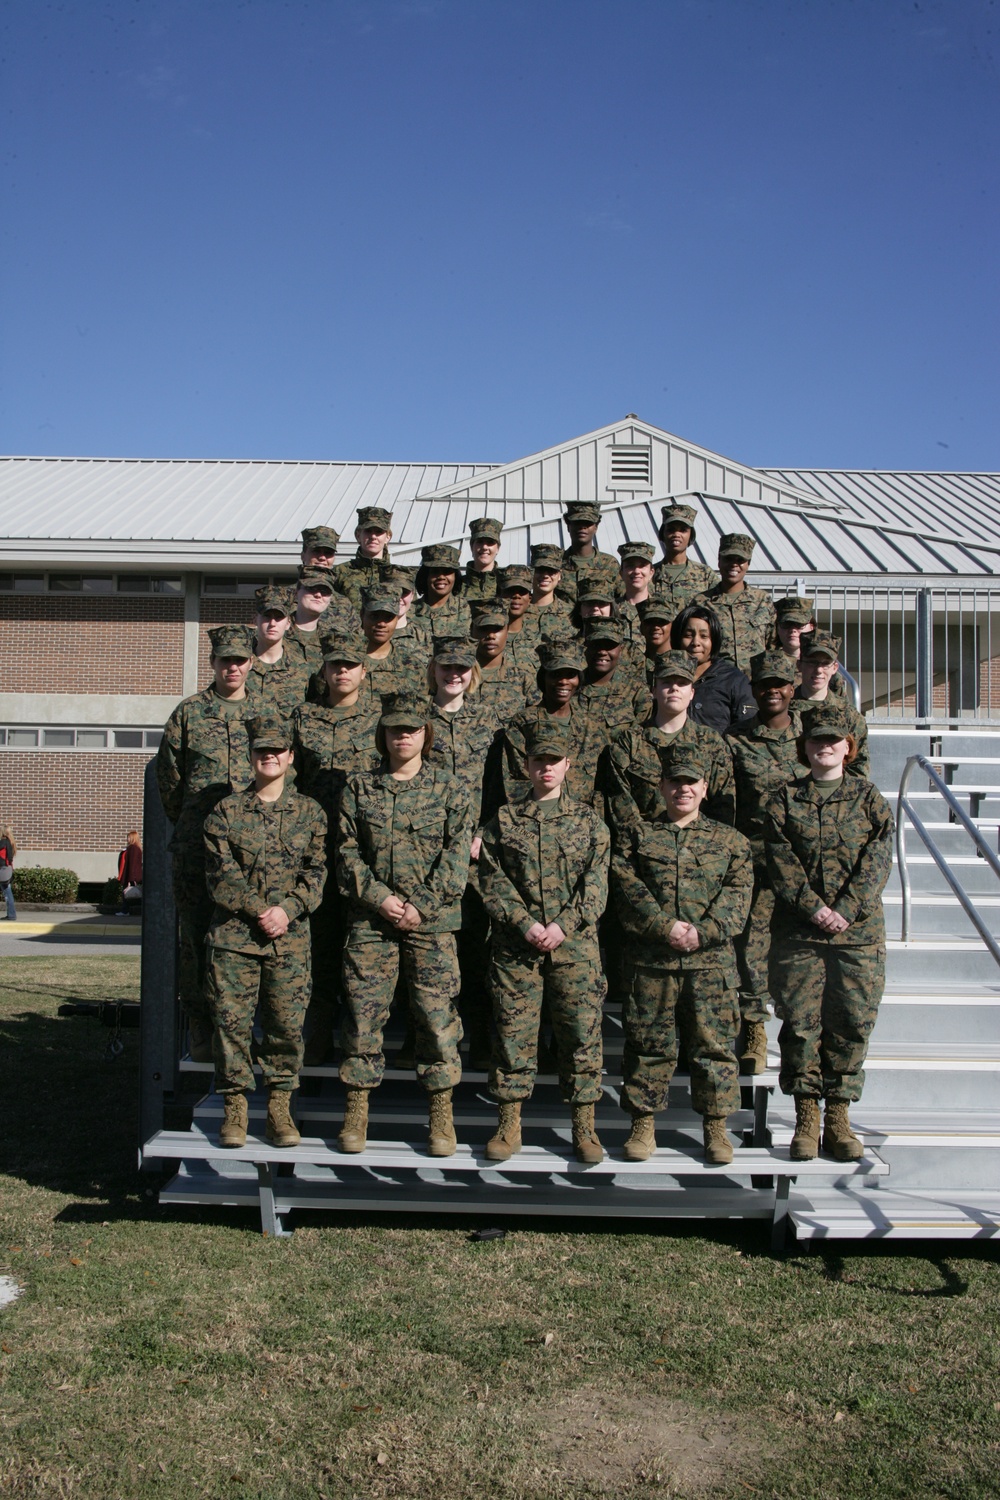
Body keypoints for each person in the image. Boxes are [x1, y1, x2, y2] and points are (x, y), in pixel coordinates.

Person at [335, 691, 473, 1156]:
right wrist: (381, 898)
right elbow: (347, 852)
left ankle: (441, 1117)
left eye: (412, 729)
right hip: (373, 923)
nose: (403, 736)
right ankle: (356, 1113)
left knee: (437, 1023)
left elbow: (457, 859)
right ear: (383, 734)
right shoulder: (359, 788)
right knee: (362, 1019)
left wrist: (421, 905)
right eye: (395, 729)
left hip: (431, 926)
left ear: (425, 734)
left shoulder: (451, 788)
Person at [610, 742, 753, 1164]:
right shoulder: (637, 836)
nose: (682, 790)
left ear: (704, 788)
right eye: (675, 782)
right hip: (652, 963)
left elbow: (737, 898)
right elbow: (627, 889)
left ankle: (716, 1130)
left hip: (710, 965)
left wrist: (702, 932)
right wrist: (664, 926)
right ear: (662, 786)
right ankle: (643, 1125)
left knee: (714, 1048)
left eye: (691, 782)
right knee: (647, 1044)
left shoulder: (730, 841)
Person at [763, 702, 893, 1161]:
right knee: (800, 1025)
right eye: (817, 740)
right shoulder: (783, 799)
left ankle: (838, 1118)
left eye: (834, 741)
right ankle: (805, 1119)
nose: (826, 747)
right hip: (800, 935)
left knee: (852, 1023)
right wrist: (815, 908)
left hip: (856, 937)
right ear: (805, 747)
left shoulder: (869, 798)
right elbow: (780, 860)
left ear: (848, 748)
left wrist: (845, 909)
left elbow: (877, 861)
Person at [477, 719, 610, 1164]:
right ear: (527, 766)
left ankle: (584, 1128)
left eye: (554, 761)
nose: (546, 768)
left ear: (568, 765)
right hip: (518, 949)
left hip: (574, 950)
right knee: (513, 1035)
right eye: (539, 761)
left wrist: (563, 925)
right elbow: (490, 877)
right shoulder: (504, 819)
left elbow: (596, 885)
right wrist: (524, 922)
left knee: (581, 1037)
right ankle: (509, 1124)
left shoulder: (590, 822)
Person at [203, 714, 327, 1149]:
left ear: (291, 757)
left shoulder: (310, 812)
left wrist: (287, 910)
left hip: (289, 940)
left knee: (286, 1028)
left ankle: (279, 1109)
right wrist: (263, 911)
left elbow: (317, 874)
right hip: (236, 940)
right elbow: (220, 876)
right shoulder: (225, 811)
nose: (269, 756)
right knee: (230, 1024)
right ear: (251, 756)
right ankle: (235, 1111)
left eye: (277, 750)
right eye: (261, 750)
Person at [156, 624, 256, 1061]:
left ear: (251, 663)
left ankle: (251, 1027)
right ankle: (201, 1021)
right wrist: (196, 823)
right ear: (212, 663)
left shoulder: (269, 711)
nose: (232, 667)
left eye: (240, 660)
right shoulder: (189, 713)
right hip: (197, 846)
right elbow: (170, 782)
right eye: (224, 660)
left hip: (254, 851)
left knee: (249, 936)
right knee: (197, 937)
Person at [293, 633, 383, 1064]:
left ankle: (363, 1038)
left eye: (351, 665)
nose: (342, 671)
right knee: (321, 942)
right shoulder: (302, 718)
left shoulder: (382, 719)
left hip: (368, 852)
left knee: (366, 947)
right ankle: (319, 1031)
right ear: (324, 671)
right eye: (335, 665)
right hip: (316, 850)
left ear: (364, 671)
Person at [424, 636, 504, 1067]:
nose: (453, 675)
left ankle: (479, 1038)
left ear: (472, 674)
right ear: (433, 671)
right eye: (445, 668)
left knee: (477, 948)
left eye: (461, 669)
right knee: (429, 951)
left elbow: (503, 788)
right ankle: (425, 1041)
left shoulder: (490, 721)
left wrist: (484, 835)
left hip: (475, 854)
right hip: (427, 856)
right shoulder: (416, 721)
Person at [726, 651, 802, 1073]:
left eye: (779, 684)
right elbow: (724, 803)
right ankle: (753, 1030)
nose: (772, 691)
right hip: (753, 859)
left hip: (802, 864)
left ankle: (797, 1036)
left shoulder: (811, 739)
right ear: (753, 690)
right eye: (763, 685)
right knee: (752, 946)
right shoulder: (736, 739)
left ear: (792, 688)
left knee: (795, 952)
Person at [604, 652, 735, 835]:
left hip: (700, 849)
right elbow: (621, 807)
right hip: (644, 849)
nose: (674, 688)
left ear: (692, 693)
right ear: (654, 690)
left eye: (682, 683)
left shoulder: (710, 743)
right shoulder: (630, 742)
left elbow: (722, 807)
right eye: (666, 682)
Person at [503, 641, 605, 807]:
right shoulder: (525, 723)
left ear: (579, 680)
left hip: (583, 821)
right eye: (555, 674)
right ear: (543, 677)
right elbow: (516, 781)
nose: (563, 681)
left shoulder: (591, 724)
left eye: (570, 675)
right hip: (537, 818)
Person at [691, 533, 775, 675]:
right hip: (717, 681)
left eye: (740, 560)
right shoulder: (702, 602)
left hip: (754, 683)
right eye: (728, 559)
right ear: (719, 561)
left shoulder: (762, 600)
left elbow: (773, 643)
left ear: (748, 564)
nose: (734, 564)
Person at [671, 603, 756, 734]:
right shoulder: (665, 677)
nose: (695, 643)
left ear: (714, 640)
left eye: (704, 636)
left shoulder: (734, 680)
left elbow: (745, 729)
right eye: (688, 635)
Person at [794, 632, 869, 775]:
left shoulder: (849, 715)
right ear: (799, 665)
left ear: (835, 668)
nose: (818, 670)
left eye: (825, 663)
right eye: (812, 662)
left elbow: (858, 767)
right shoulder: (782, 710)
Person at [245, 586, 312, 715]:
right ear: (255, 620)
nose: (272, 623)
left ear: (288, 623)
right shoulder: (240, 667)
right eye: (266, 617)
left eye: (279, 617)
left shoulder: (302, 670)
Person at [357, 588, 429, 706]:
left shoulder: (413, 667)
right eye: (374, 616)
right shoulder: (345, 663)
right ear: (362, 615)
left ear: (396, 619)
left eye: (388, 617)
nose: (381, 624)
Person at [471, 605, 538, 723]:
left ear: (507, 631)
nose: (491, 636)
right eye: (484, 628)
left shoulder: (522, 679)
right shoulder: (456, 678)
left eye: (497, 629)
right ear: (471, 631)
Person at [284, 567, 358, 672]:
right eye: (311, 588)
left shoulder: (334, 638)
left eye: (325, 591)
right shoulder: (277, 631)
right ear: (297, 592)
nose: (318, 595)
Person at [651, 501, 719, 614]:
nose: (676, 534)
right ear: (663, 534)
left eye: (683, 530)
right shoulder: (649, 575)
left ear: (691, 535)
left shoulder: (705, 575)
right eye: (671, 529)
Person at [557, 500, 620, 606]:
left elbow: (622, 599)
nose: (582, 527)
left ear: (596, 527)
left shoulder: (609, 564)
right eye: (577, 522)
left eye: (588, 523)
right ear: (568, 526)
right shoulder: (556, 562)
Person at [332, 506, 394, 611]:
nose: (373, 536)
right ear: (358, 535)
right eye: (368, 531)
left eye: (378, 532)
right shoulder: (340, 573)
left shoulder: (398, 576)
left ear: (387, 537)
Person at [413, 544, 472, 638]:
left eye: (447, 572)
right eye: (435, 572)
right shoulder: (409, 611)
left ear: (455, 576)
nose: (441, 577)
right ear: (425, 576)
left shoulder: (468, 610)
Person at [528, 544, 575, 638]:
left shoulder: (572, 614)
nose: (545, 575)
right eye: (540, 570)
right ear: (531, 572)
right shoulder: (518, 611)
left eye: (551, 571)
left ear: (559, 575)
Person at [463, 516, 504, 601]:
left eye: (490, 542)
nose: (484, 547)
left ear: (498, 548)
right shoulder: (457, 585)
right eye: (480, 542)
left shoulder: (505, 584)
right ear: (471, 547)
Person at [116, 830, 143, 916]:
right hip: (132, 875)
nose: (127, 839)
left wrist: (131, 879)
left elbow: (132, 863)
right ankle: (125, 910)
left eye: (128, 837)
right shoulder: (135, 848)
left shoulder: (133, 848)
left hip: (131, 875)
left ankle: (125, 911)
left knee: (126, 893)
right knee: (130, 893)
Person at [0, 825, 16, 921]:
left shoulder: (3, 842)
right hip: (6, 869)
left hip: (3, 869)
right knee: (7, 892)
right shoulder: (10, 842)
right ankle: (11, 914)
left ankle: (11, 914)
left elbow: (6, 858)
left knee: (7, 893)